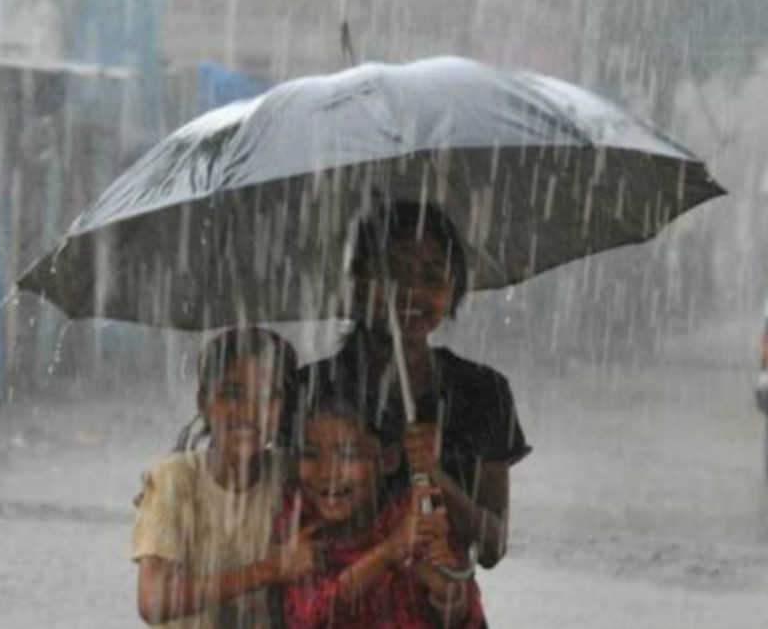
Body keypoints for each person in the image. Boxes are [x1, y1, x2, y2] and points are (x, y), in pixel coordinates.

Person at [298, 199, 531, 569]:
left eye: (431, 275)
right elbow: (291, 529)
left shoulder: (484, 392)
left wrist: (436, 477)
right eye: (394, 273)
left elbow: (491, 548)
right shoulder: (312, 389)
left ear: (454, 290)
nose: (412, 292)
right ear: (359, 284)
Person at [132, 327, 316, 629]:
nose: (248, 412)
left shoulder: (289, 474)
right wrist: (266, 571)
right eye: (233, 394)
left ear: (284, 408)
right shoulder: (176, 480)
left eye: (267, 396)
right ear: (204, 403)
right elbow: (153, 601)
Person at [278, 398, 484, 629]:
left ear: (388, 459)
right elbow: (307, 618)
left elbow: (470, 620)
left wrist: (446, 594)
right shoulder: (296, 522)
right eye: (310, 454)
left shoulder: (418, 515)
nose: (327, 473)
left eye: (348, 455)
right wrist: (389, 551)